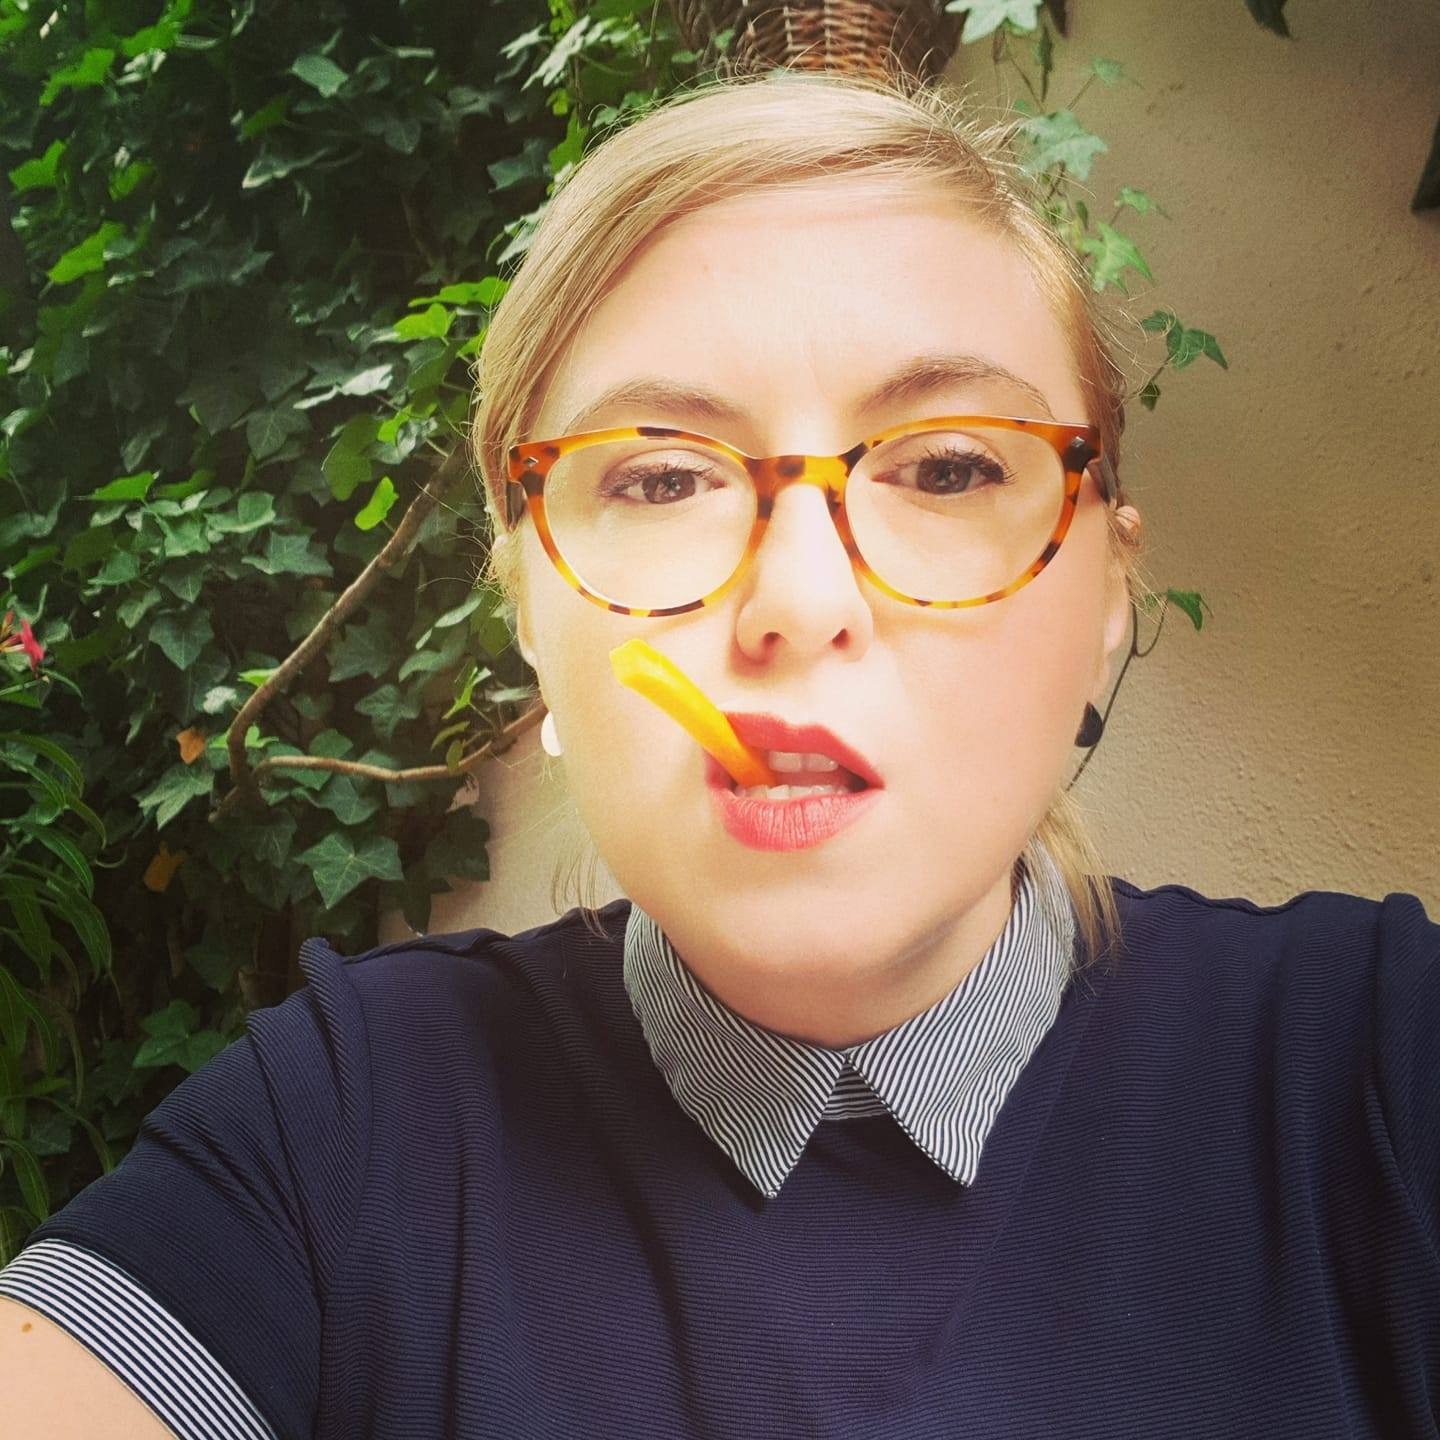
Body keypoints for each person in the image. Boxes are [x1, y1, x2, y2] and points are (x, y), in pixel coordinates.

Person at [2, 66, 1436, 1440]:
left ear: (1109, 589)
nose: (798, 602)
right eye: (663, 478)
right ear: (526, 602)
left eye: (947, 467)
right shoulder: (343, 1125)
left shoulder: (1383, 1065)